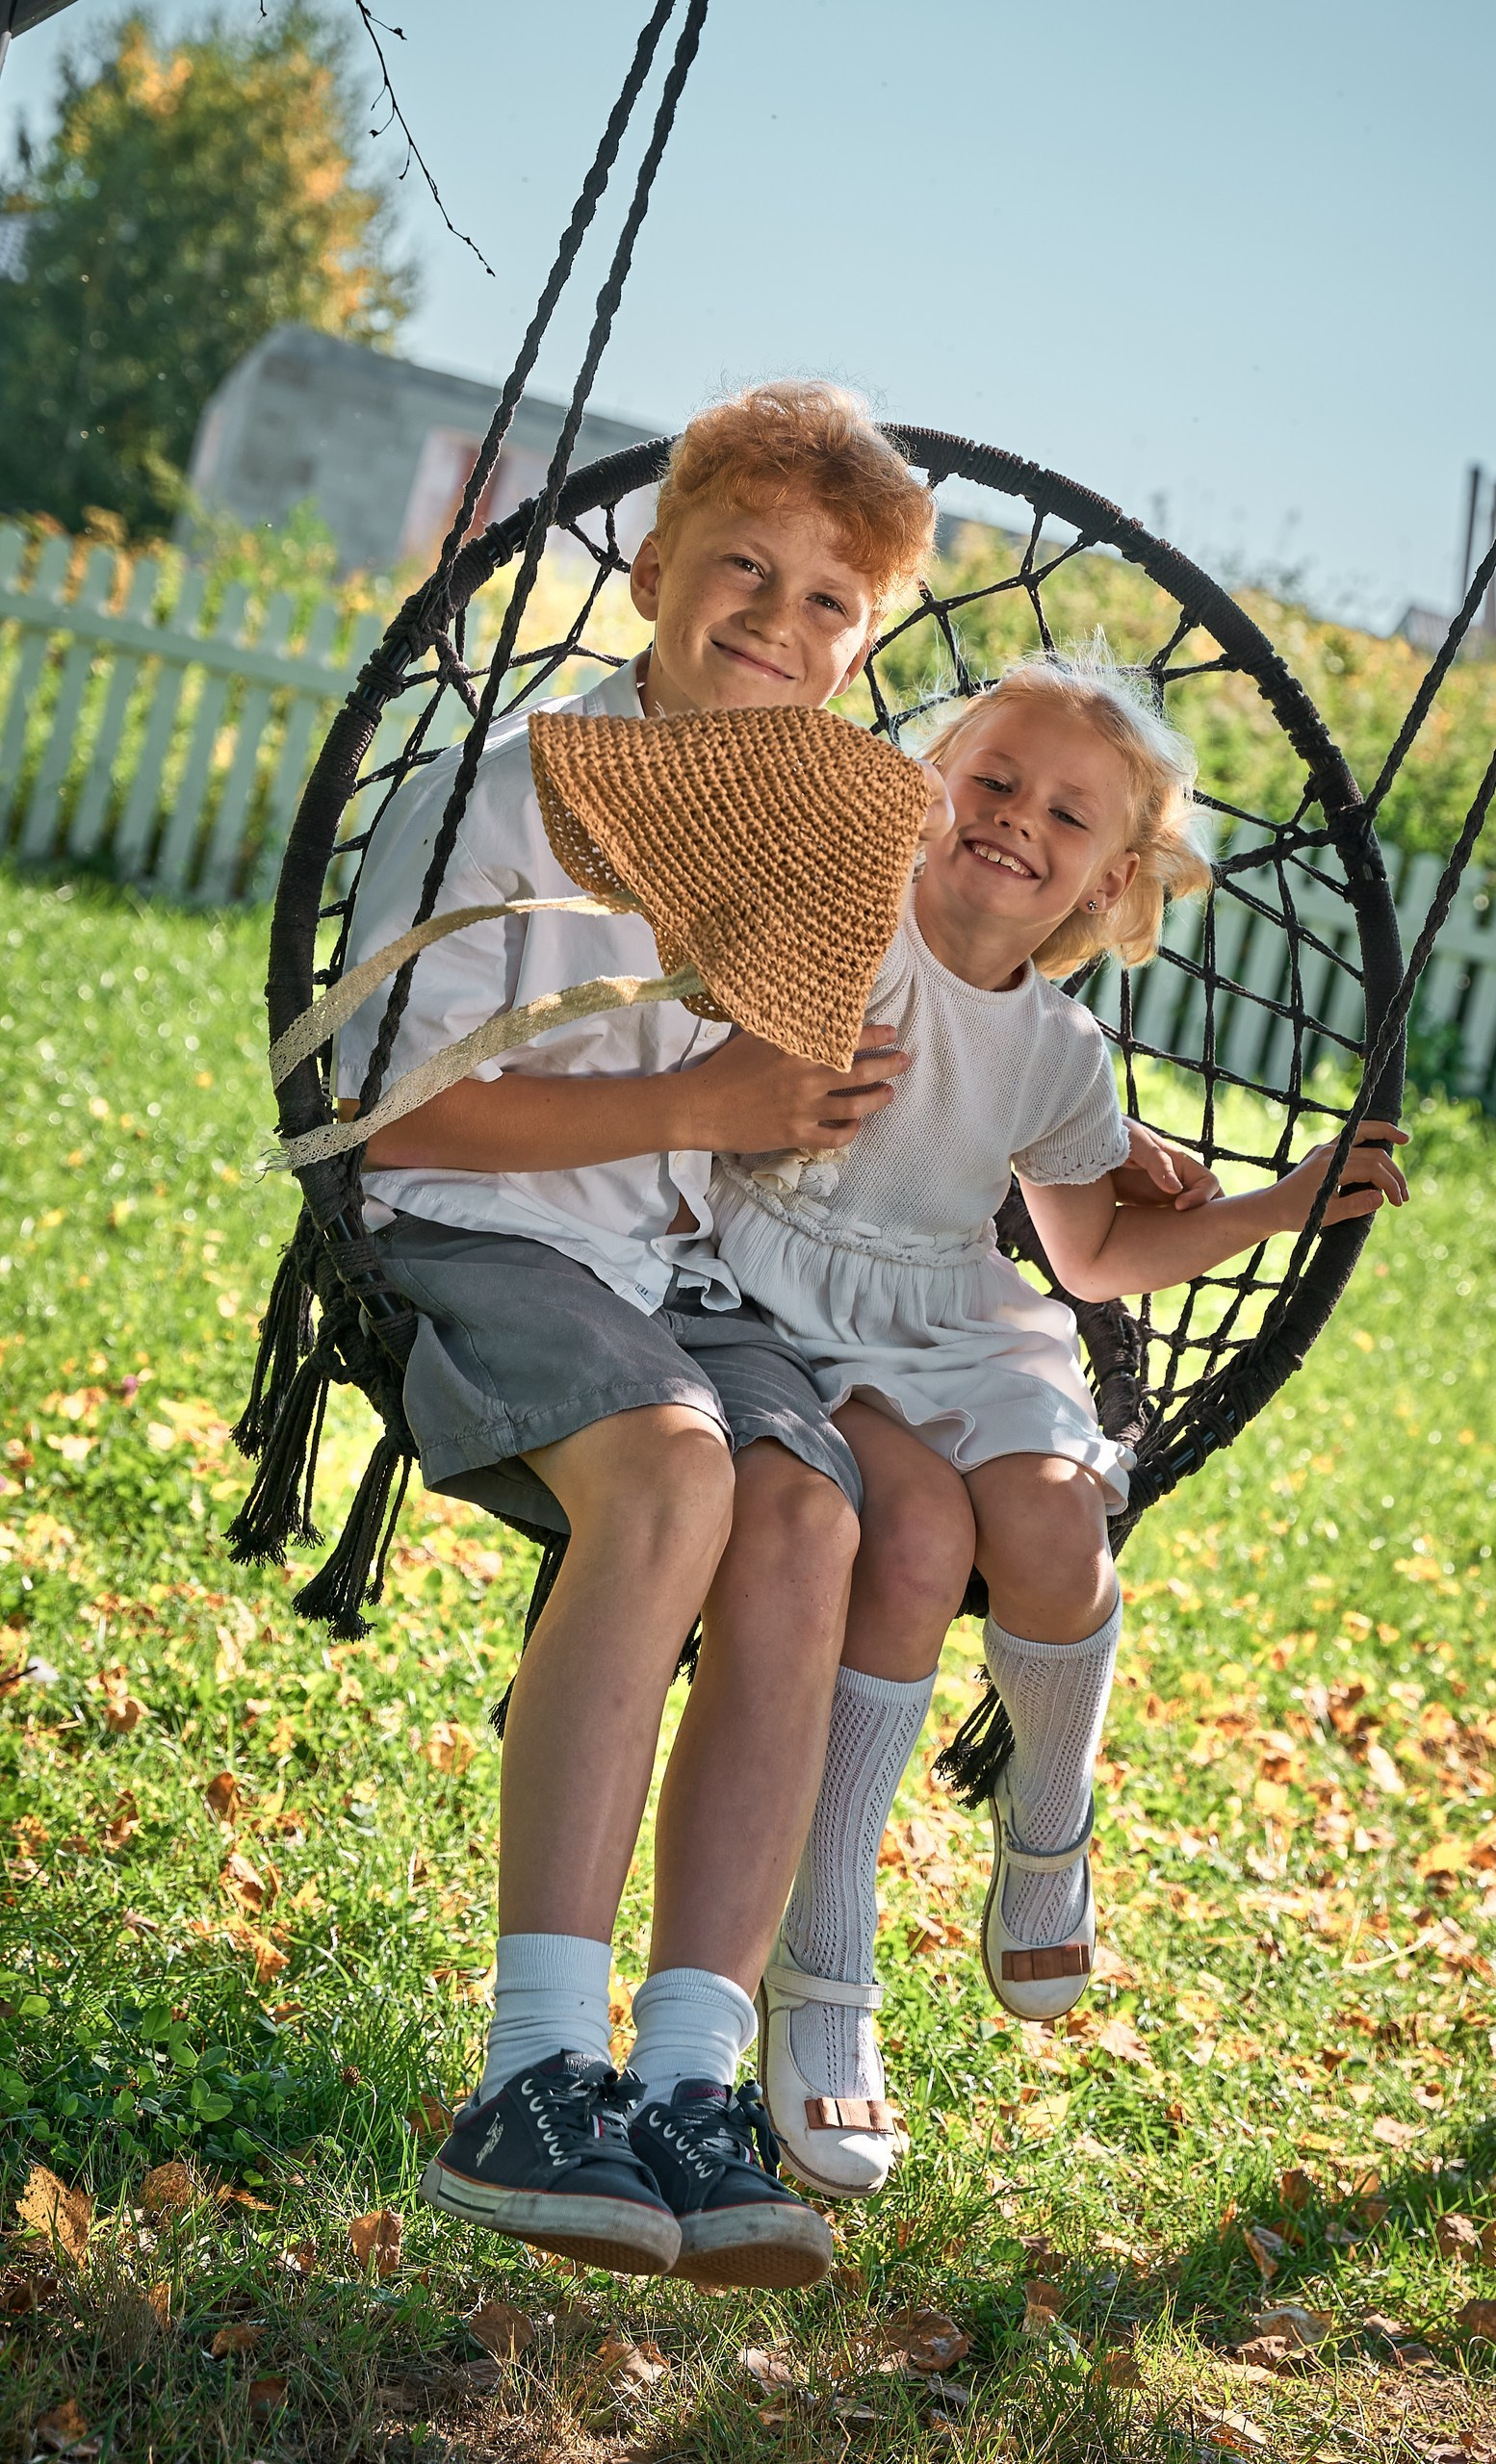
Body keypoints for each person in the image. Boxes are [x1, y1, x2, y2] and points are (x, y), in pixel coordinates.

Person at [333, 381, 942, 2287]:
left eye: (831, 602)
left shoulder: (807, 844)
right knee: (677, 1473)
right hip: (478, 1231)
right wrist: (717, 1106)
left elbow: (871, 1083)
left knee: (809, 1521)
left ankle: (686, 2077)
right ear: (647, 564)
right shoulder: (508, 794)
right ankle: (531, 2067)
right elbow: (398, 1119)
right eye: (742, 569)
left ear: (861, 647)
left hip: (670, 1277)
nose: (778, 620)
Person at [713, 654, 1409, 2197]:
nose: (1017, 822)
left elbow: (1091, 1257)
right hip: (780, 1314)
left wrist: (1280, 1201)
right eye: (993, 779)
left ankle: (1047, 1823)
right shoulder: (841, 932)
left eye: (1067, 815)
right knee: (912, 1548)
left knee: (1046, 1518)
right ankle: (821, 1972)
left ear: (1110, 878)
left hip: (952, 1315)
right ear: (925, 789)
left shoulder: (1058, 1052)